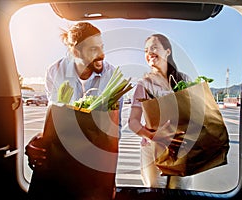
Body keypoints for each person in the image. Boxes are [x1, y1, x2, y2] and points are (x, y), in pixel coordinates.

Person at [25, 22, 122, 199]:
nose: (102, 54)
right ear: (76, 52)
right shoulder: (55, 71)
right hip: (62, 157)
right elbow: (55, 119)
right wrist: (40, 140)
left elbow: (115, 131)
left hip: (94, 157)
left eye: (101, 47)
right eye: (93, 49)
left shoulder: (112, 77)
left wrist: (109, 176)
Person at [128, 33, 194, 189]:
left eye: (154, 47)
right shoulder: (143, 84)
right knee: (155, 191)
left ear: (168, 51)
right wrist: (152, 136)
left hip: (181, 146)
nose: (149, 52)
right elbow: (133, 121)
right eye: (146, 50)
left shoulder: (184, 80)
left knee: (179, 190)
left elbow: (197, 114)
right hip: (152, 148)